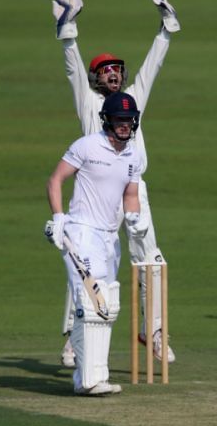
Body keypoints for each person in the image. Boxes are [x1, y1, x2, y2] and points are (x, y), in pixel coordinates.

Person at [51, 0, 179, 367]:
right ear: (96, 77)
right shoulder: (89, 102)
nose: (112, 72)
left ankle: (154, 333)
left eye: (116, 68)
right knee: (83, 262)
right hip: (94, 193)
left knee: (151, 260)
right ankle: (76, 338)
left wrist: (165, 31)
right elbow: (72, 65)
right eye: (104, 69)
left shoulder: (133, 98)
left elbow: (151, 69)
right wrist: (68, 26)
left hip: (134, 190)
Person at [45, 92, 144, 395]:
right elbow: (55, 180)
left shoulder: (134, 154)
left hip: (109, 238)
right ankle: (86, 379)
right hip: (81, 232)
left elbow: (130, 195)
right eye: (119, 120)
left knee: (106, 306)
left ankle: (93, 377)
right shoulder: (87, 146)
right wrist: (60, 218)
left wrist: (135, 219)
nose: (125, 126)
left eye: (129, 121)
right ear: (108, 120)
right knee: (89, 302)